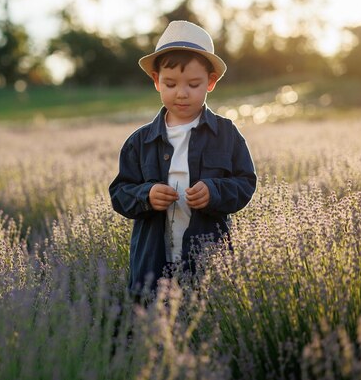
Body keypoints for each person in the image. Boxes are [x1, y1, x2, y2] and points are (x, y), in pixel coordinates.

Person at [109, 20, 257, 301]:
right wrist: (147, 195)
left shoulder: (226, 133)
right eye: (170, 83)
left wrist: (214, 191)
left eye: (193, 84)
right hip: (153, 261)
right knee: (153, 328)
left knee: (208, 322)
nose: (181, 92)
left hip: (208, 259)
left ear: (210, 82)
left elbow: (245, 183)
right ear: (156, 81)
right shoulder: (139, 142)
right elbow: (119, 194)